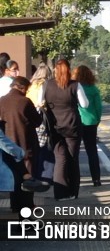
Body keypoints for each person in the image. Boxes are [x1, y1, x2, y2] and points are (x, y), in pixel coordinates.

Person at [43, 58, 89, 200]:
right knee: (72, 159)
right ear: (69, 70)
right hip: (72, 126)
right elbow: (85, 104)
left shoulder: (47, 85)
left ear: (55, 70)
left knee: (60, 159)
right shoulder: (75, 85)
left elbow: (40, 102)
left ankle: (60, 193)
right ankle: (72, 192)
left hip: (54, 127)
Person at [0, 76, 46, 211]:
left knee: (14, 178)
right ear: (22, 88)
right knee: (27, 181)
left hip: (7, 147)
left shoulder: (1, 101)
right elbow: (37, 121)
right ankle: (27, 210)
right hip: (26, 146)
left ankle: (15, 206)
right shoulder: (25, 102)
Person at [72, 65, 103, 186]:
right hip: (91, 122)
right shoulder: (93, 89)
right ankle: (96, 179)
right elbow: (99, 107)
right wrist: (97, 119)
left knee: (75, 151)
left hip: (77, 122)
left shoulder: (74, 87)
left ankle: (76, 179)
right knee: (92, 151)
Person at [26, 63, 55, 182]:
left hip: (31, 119)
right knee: (46, 147)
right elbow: (40, 102)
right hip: (41, 118)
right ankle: (46, 176)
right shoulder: (44, 84)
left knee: (37, 147)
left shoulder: (31, 85)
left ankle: (36, 173)